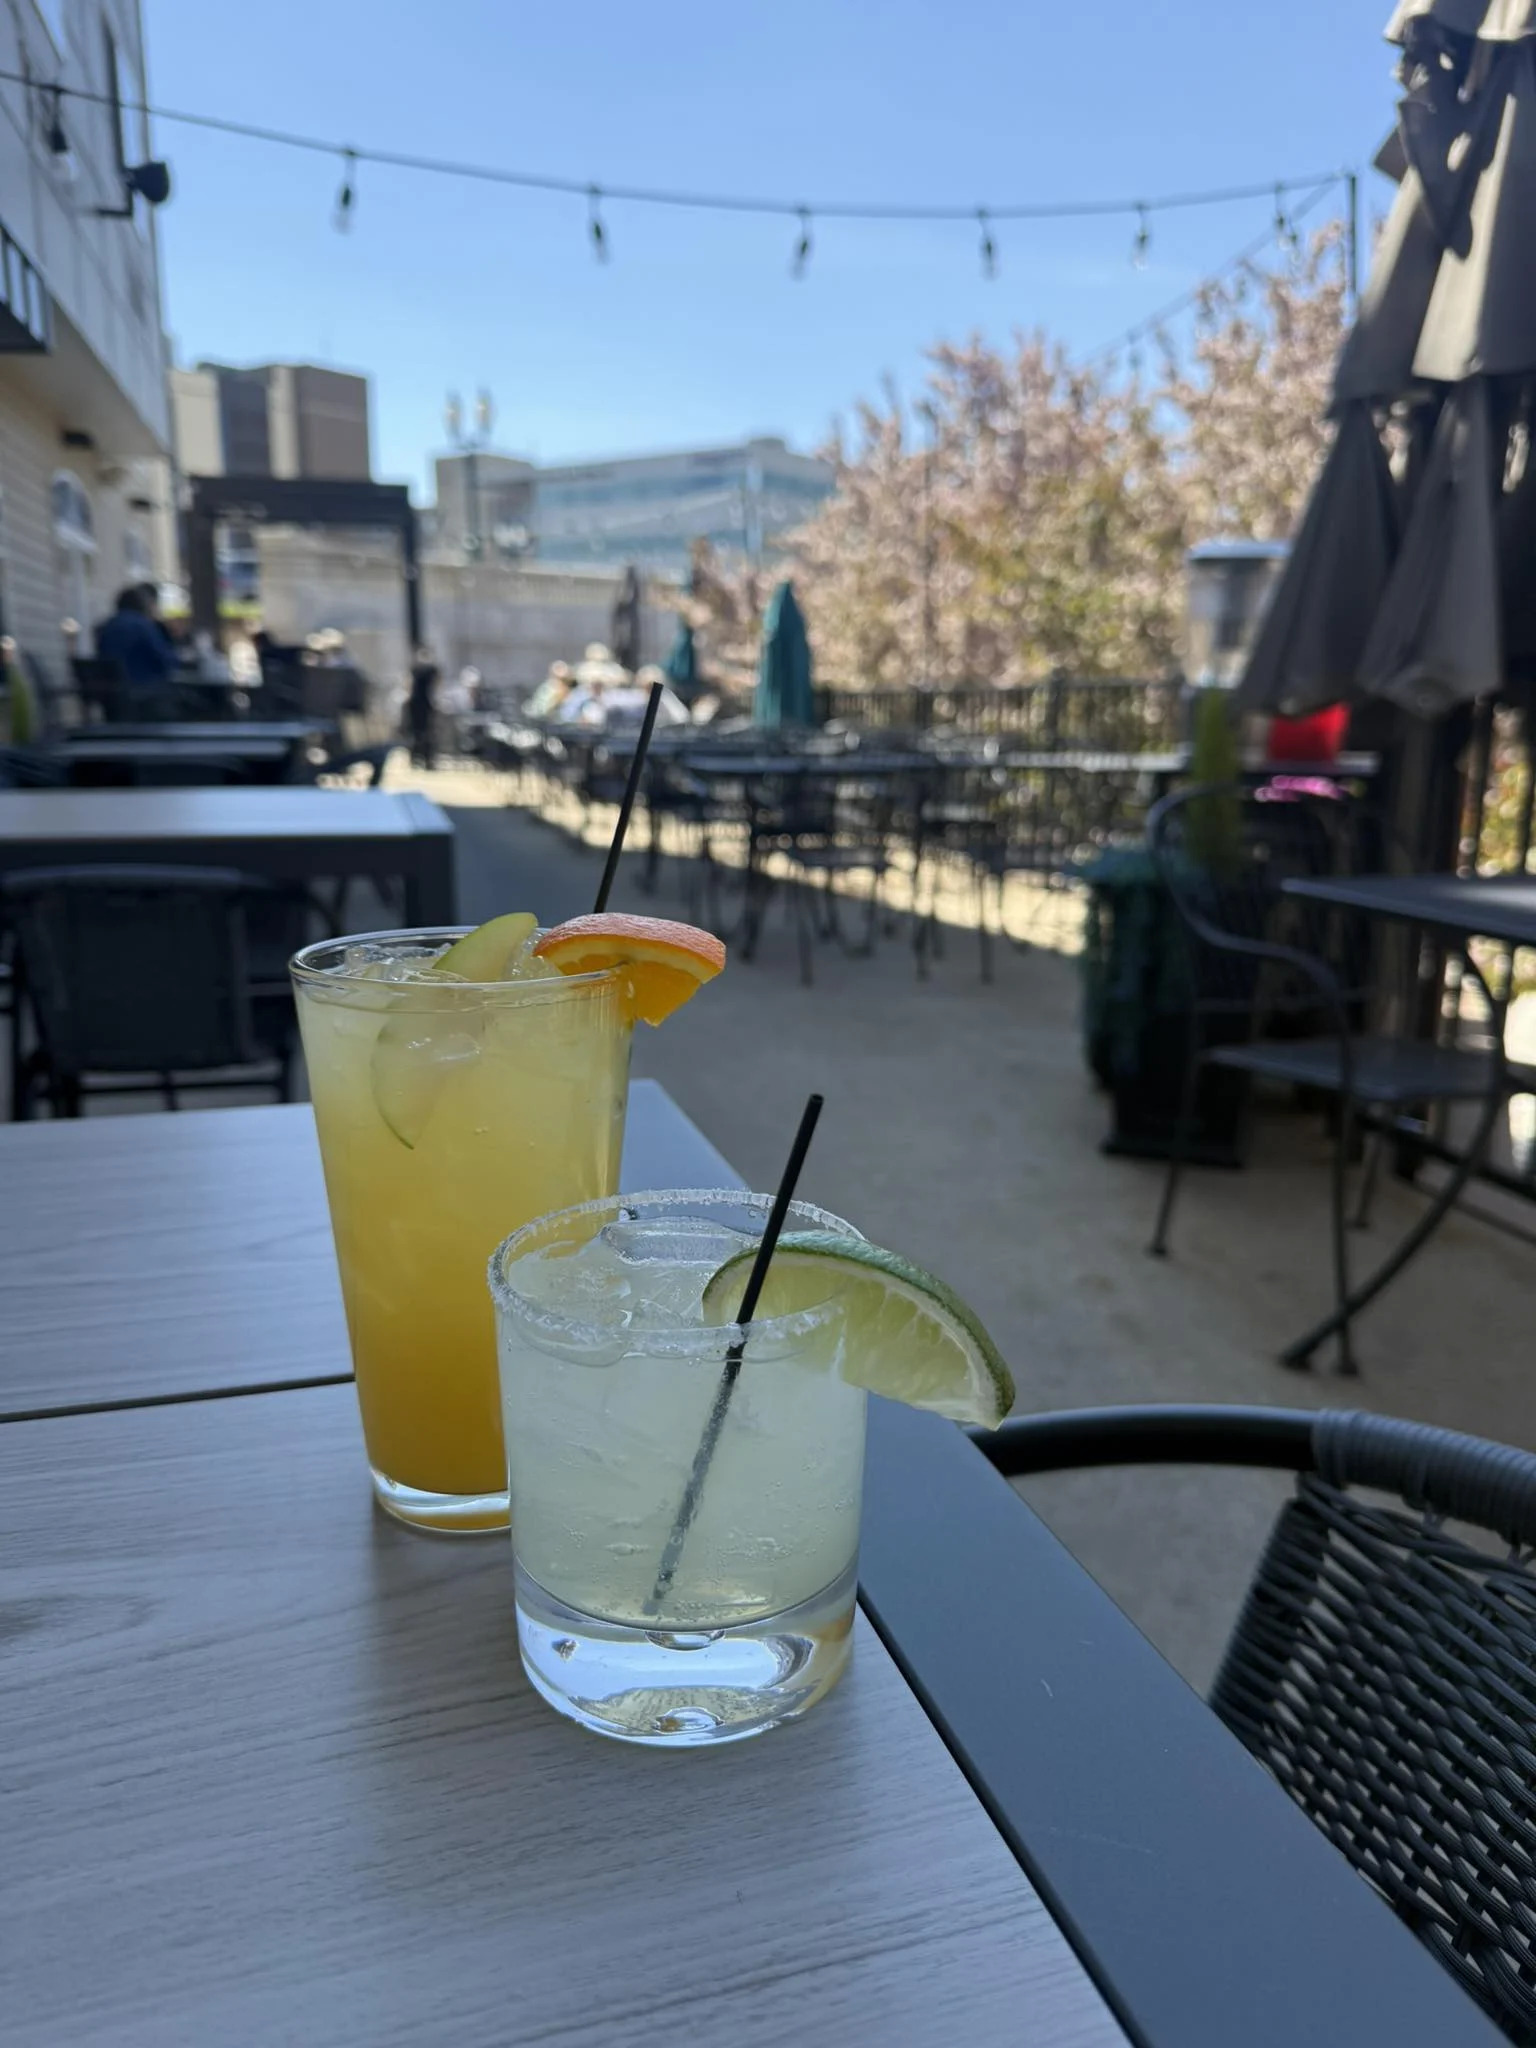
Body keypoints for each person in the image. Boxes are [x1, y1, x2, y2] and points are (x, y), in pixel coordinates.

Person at [95, 585, 178, 713]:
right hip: (146, 699)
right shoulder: (142, 625)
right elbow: (167, 660)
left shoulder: (105, 627)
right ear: (143, 605)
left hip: (113, 699)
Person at [406, 645, 440, 768]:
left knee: (419, 733)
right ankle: (425, 759)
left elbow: (408, 685)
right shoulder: (430, 669)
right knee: (426, 733)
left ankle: (417, 758)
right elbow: (437, 686)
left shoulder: (416, 669)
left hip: (418, 703)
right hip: (424, 703)